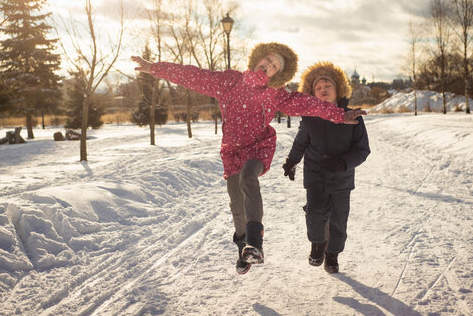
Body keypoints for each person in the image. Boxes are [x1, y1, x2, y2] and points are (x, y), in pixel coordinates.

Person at [131, 44, 366, 275]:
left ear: (278, 74)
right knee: (236, 203)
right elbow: (194, 76)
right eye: (267, 61)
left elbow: (308, 104)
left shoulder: (276, 94)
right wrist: (155, 68)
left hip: (259, 146)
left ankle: (255, 242)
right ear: (257, 60)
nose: (269, 66)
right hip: (232, 151)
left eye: (274, 66)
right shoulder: (230, 81)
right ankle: (243, 248)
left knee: (248, 178)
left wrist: (340, 114)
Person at [282, 62, 370, 274]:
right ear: (312, 94)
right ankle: (317, 244)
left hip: (342, 179)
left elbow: (362, 150)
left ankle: (332, 255)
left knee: (338, 220)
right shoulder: (310, 118)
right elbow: (301, 142)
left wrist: (343, 163)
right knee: (315, 213)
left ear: (339, 89)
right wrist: (292, 161)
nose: (322, 89)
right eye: (317, 88)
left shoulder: (353, 117)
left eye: (327, 85)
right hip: (315, 176)